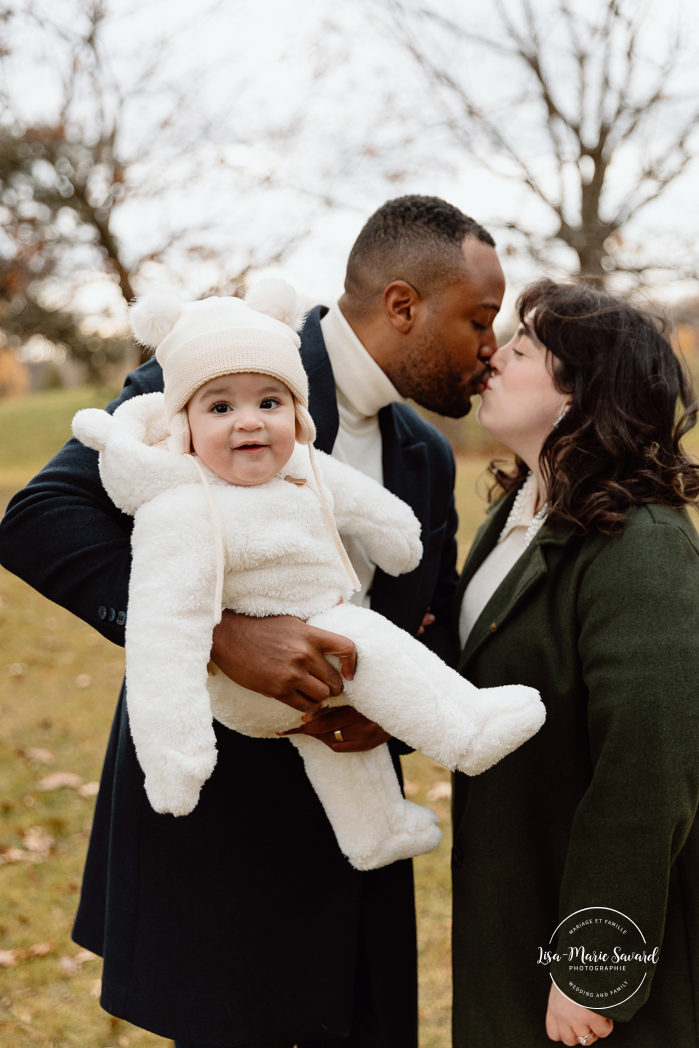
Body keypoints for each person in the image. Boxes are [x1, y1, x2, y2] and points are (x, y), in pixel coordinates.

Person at [0, 194, 505, 1048]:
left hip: (354, 831)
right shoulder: (227, 356)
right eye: (479, 321)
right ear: (403, 306)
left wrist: (385, 715)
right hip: (216, 830)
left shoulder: (420, 451)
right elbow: (38, 517)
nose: (489, 349)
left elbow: (428, 628)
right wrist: (224, 638)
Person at [72, 281, 542, 867]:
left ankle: (378, 830)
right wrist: (217, 652)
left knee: (357, 680)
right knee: (363, 639)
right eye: (480, 320)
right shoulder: (186, 473)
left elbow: (391, 535)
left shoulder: (396, 452)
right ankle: (468, 732)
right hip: (223, 808)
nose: (488, 349)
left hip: (343, 731)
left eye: (270, 404)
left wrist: (399, 544)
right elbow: (158, 633)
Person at [451, 278, 699, 1048]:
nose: (492, 354)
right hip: (513, 882)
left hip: (591, 926)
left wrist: (597, 963)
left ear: (579, 394)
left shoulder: (644, 543)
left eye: (521, 347)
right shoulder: (518, 510)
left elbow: (649, 764)